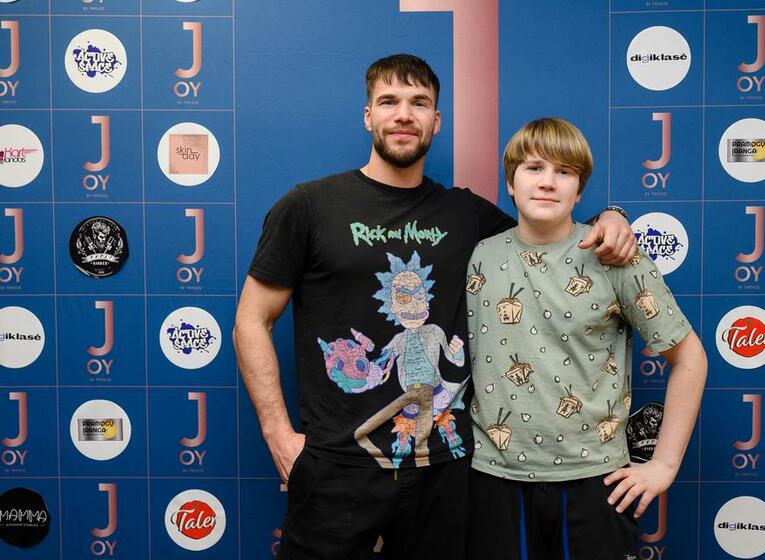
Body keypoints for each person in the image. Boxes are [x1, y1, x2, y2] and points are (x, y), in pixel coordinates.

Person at [233, 55, 639, 559]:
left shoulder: (466, 215)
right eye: (389, 101)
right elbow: (252, 320)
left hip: (447, 472)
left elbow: (549, 233)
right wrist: (278, 435)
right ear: (368, 116)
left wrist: (612, 216)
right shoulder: (309, 207)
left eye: (419, 103)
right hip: (337, 467)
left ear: (436, 120)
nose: (404, 114)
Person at [464, 118, 707, 559]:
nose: (548, 182)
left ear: (579, 191)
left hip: (595, 480)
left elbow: (689, 357)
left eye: (564, 171)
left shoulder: (616, 257)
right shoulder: (480, 255)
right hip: (495, 479)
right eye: (534, 168)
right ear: (511, 183)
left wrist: (664, 464)